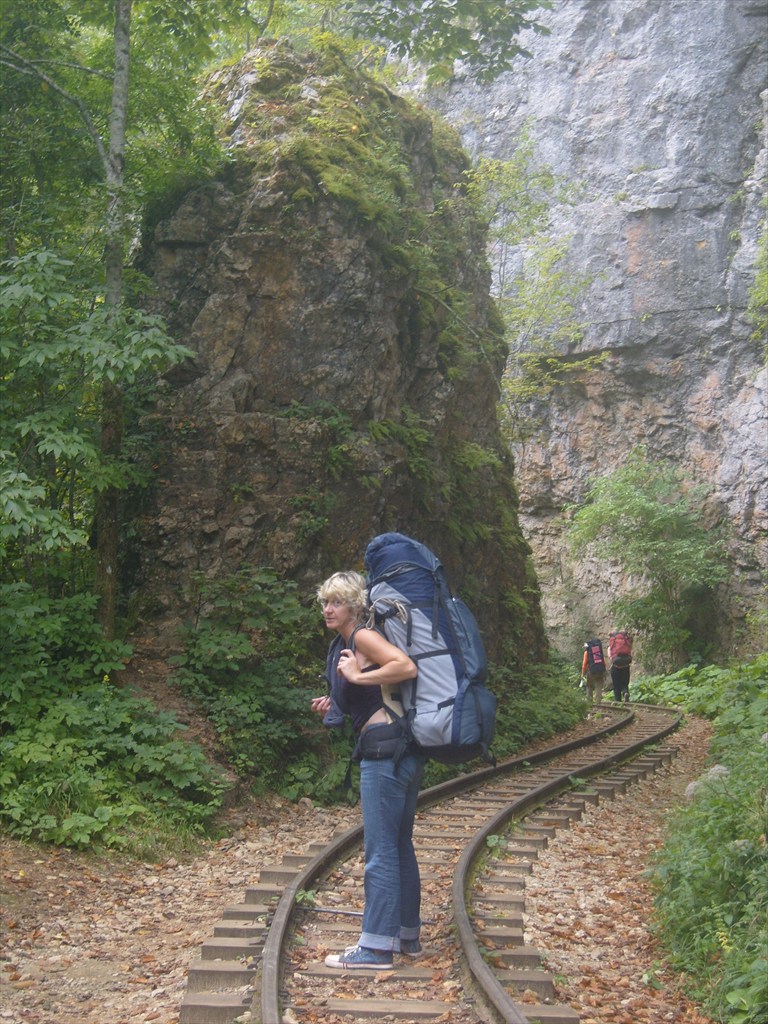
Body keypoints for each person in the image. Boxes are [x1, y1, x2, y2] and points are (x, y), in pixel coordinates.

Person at [311, 570, 425, 970]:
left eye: (337, 602)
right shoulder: (349, 643)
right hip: (403, 750)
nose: (328, 609)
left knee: (381, 850)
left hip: (384, 754)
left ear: (354, 606)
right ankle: (407, 935)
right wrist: (335, 699)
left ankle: (376, 948)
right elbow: (370, 691)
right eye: (325, 602)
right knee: (399, 845)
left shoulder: (361, 636)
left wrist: (358, 676)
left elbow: (404, 666)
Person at [608, 629, 632, 702]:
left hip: (616, 667)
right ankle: (625, 692)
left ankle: (617, 700)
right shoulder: (626, 642)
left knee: (616, 685)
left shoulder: (611, 646)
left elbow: (610, 657)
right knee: (625, 683)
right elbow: (630, 653)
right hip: (626, 666)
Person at [580, 637, 606, 705]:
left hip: (591, 671)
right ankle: (598, 702)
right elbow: (603, 662)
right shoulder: (599, 652)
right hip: (600, 670)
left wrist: (582, 674)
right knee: (599, 686)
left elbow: (584, 664)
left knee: (589, 686)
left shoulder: (587, 653)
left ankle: (589, 702)